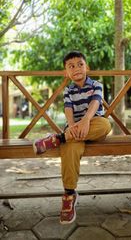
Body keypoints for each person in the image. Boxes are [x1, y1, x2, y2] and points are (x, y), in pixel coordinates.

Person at [33, 51, 111, 224]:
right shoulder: (68, 90)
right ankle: (69, 194)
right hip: (74, 133)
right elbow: (68, 110)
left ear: (87, 67)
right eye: (71, 66)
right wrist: (73, 125)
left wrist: (85, 121)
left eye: (80, 64)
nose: (76, 68)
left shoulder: (96, 84)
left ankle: (59, 138)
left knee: (106, 125)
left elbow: (96, 102)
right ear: (66, 72)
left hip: (94, 127)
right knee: (70, 148)